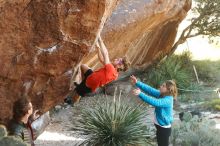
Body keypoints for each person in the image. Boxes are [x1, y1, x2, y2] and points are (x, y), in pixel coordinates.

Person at [64, 36, 130, 104]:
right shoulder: (114, 72)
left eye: (118, 60)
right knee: (83, 66)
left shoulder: (111, 69)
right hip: (92, 77)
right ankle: (81, 82)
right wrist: (98, 47)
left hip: (89, 84)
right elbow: (101, 59)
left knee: (78, 92)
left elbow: (105, 54)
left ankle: (73, 102)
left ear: (119, 66)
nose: (116, 59)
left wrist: (100, 39)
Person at [130, 75, 177, 146]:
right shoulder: (162, 94)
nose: (161, 86)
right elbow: (150, 90)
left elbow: (155, 102)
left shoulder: (168, 100)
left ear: (168, 89)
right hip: (160, 126)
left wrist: (140, 94)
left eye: (163, 86)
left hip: (163, 129)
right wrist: (137, 83)